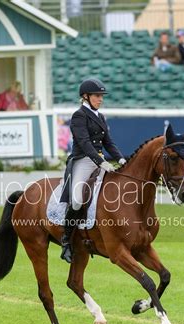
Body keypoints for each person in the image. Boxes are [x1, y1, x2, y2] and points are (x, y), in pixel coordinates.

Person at [59, 78, 126, 263]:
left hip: (99, 161)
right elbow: (84, 143)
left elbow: (108, 142)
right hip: (82, 160)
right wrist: (101, 162)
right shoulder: (79, 116)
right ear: (86, 97)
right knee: (77, 199)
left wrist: (121, 158)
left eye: (101, 96)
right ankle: (66, 240)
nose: (100, 99)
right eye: (97, 96)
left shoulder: (101, 117)